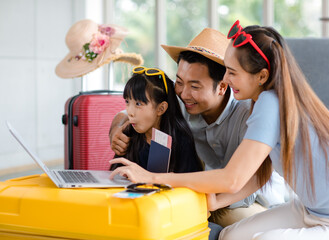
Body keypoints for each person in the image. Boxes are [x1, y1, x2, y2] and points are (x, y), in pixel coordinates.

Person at [110, 20, 329, 240]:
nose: (226, 81)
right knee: (230, 236)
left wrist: (151, 177)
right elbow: (259, 172)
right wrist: (216, 201)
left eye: (232, 72)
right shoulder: (261, 100)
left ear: (261, 76)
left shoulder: (270, 104)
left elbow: (232, 178)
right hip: (309, 208)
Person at [109, 28, 287, 228]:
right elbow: (133, 111)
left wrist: (162, 181)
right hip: (200, 196)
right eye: (179, 82)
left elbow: (237, 185)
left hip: (248, 203)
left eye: (195, 86)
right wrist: (116, 129)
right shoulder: (183, 104)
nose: (184, 94)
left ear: (222, 85)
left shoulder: (251, 114)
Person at [109, 66, 203, 173]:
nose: (130, 112)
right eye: (127, 102)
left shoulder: (181, 140)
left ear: (161, 108)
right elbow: (115, 175)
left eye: (138, 104)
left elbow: (190, 182)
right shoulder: (128, 134)